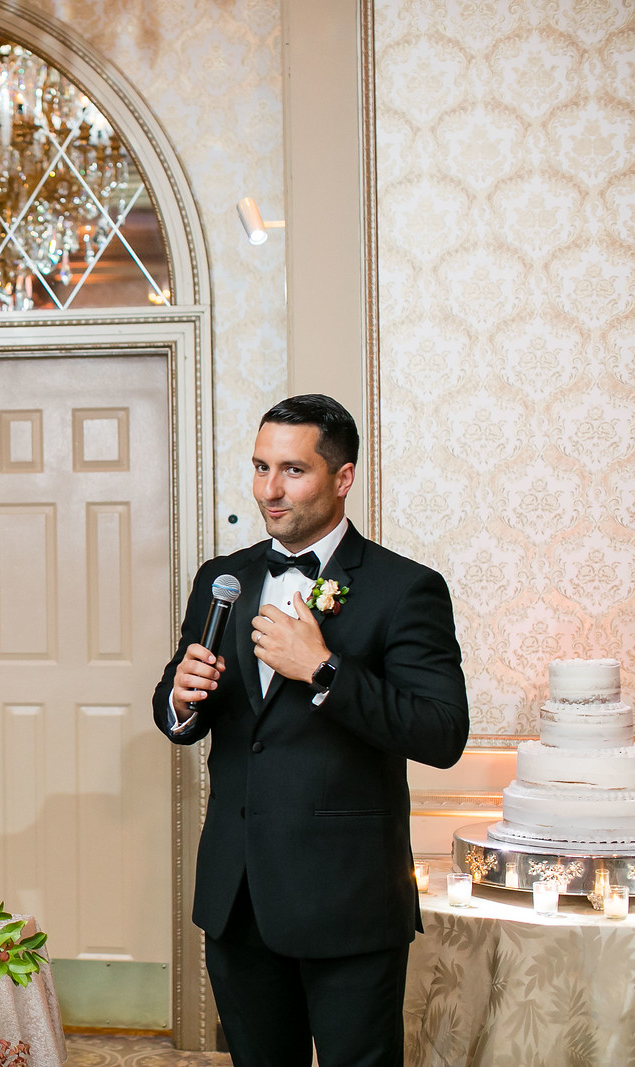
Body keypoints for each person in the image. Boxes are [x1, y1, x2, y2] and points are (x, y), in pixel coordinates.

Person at [152, 394, 468, 1067]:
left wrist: (324, 669)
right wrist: (179, 701)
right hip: (238, 897)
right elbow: (184, 707)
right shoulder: (223, 579)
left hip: (348, 900)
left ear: (342, 477)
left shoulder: (405, 588)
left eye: (293, 470)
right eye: (261, 467)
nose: (270, 489)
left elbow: (442, 732)